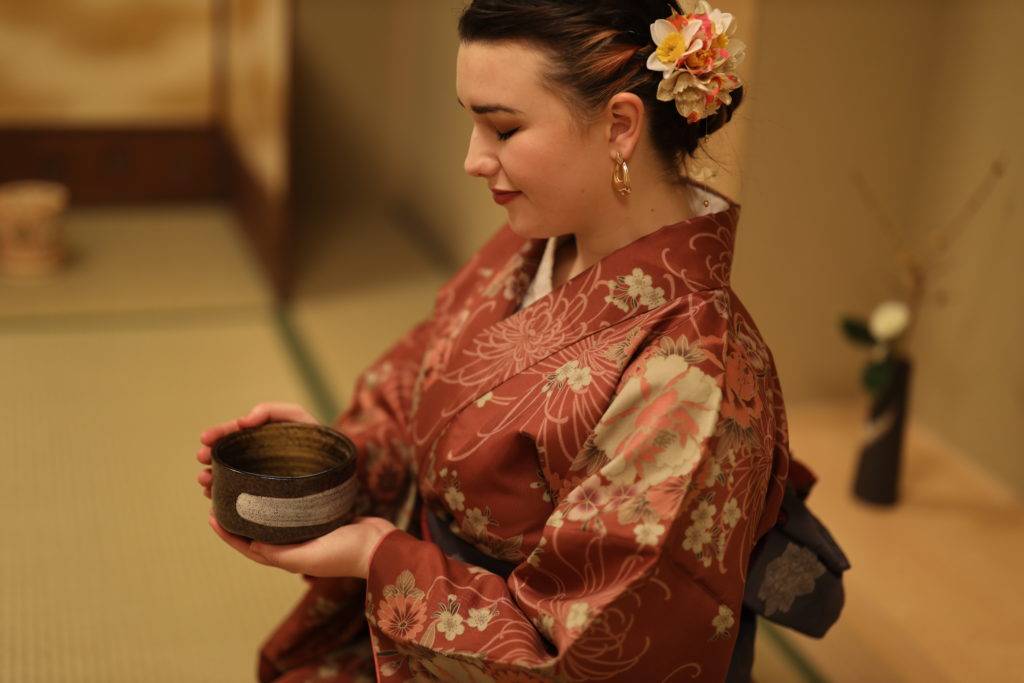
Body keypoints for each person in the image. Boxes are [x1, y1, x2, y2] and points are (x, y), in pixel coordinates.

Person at [196, 1, 847, 680]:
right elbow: (421, 373)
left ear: (620, 126)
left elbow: (587, 649)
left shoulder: (693, 371)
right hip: (435, 614)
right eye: (472, 121)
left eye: (502, 128)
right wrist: (339, 462)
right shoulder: (538, 237)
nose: (474, 159)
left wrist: (379, 557)